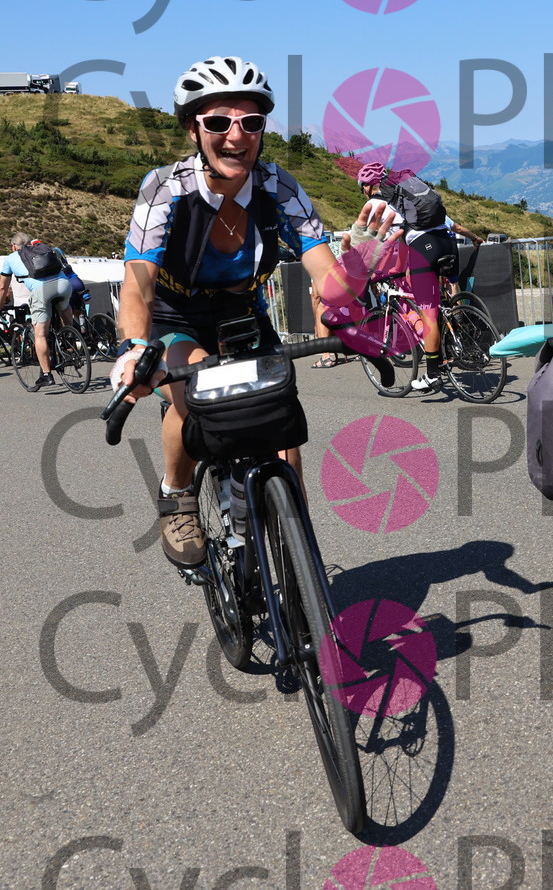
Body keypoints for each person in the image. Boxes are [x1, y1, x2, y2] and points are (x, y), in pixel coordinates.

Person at [111, 56, 401, 576]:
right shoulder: (165, 188)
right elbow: (138, 284)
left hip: (242, 313)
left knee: (281, 432)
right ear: (193, 128)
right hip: (176, 315)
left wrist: (359, 262)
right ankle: (177, 496)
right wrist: (135, 348)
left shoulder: (278, 187)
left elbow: (331, 284)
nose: (236, 135)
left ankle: (297, 562)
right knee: (197, 395)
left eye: (250, 121)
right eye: (218, 122)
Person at [356, 162, 476, 392]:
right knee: (440, 301)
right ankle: (453, 334)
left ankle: (432, 374)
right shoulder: (409, 198)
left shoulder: (377, 204)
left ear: (368, 186)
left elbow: (380, 241)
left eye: (362, 187)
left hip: (423, 249)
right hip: (446, 242)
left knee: (427, 313)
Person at [0, 232, 74, 391]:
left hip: (42, 291)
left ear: (14, 247)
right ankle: (70, 336)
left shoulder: (11, 258)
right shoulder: (43, 249)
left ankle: (46, 375)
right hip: (64, 284)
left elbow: (3, 287)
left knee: (40, 335)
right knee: (64, 306)